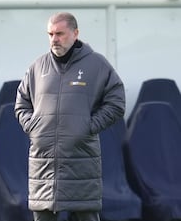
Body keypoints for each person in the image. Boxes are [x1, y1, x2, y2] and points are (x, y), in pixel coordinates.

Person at [14, 12, 125, 221]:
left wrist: (88, 127)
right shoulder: (37, 67)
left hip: (81, 164)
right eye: (50, 34)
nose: (54, 39)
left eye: (59, 34)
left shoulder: (97, 65)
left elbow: (117, 102)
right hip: (43, 167)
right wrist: (34, 127)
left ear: (75, 33)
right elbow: (21, 103)